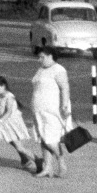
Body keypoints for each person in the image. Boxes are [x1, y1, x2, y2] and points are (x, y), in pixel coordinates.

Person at [30, 45, 74, 178]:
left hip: (53, 110)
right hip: (39, 110)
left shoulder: (58, 69)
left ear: (50, 56)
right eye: (39, 57)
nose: (39, 59)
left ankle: (61, 161)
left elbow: (65, 88)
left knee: (50, 139)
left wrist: (65, 106)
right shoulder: (41, 69)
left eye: (42, 57)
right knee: (43, 138)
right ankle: (47, 167)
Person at [0, 74, 37, 172]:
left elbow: (8, 112)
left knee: (20, 147)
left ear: (3, 85)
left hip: (10, 125)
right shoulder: (1, 97)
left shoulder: (9, 97)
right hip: (2, 125)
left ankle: (37, 160)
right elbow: (0, 110)